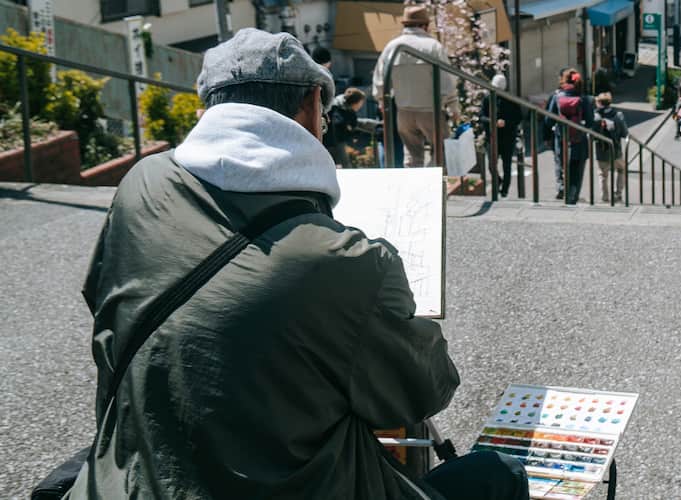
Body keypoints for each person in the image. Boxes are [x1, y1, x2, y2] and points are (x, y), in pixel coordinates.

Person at [69, 28, 528, 499]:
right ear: (312, 104)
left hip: (129, 479)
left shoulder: (141, 186)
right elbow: (425, 390)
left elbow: (108, 318)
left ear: (207, 108)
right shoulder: (351, 263)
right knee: (499, 474)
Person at [372, 6, 459, 167]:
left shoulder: (392, 47)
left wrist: (381, 101)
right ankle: (433, 185)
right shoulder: (433, 46)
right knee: (440, 152)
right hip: (430, 110)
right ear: (425, 25)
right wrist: (453, 106)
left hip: (403, 112)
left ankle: (415, 188)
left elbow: (379, 79)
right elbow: (447, 81)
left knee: (412, 156)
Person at [545, 71, 595, 204]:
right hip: (579, 141)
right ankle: (573, 196)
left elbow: (548, 120)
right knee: (577, 170)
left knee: (560, 164)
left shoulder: (556, 97)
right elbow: (590, 122)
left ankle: (562, 188)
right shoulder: (586, 99)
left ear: (564, 81)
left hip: (561, 139)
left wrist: (549, 134)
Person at [479, 74, 525, 197]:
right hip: (492, 136)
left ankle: (505, 190)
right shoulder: (488, 99)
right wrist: (493, 121)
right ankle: (498, 181)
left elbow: (518, 117)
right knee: (491, 164)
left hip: (507, 136)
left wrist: (506, 123)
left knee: (507, 164)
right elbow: (482, 116)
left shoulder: (511, 99)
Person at [593, 92, 628, 203]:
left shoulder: (595, 116)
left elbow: (592, 135)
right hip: (616, 151)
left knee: (603, 175)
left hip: (601, 152)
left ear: (599, 103)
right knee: (621, 170)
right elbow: (624, 133)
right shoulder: (618, 115)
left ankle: (605, 197)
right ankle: (618, 194)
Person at [323, 87, 366, 167]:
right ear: (355, 102)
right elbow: (339, 126)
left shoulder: (343, 107)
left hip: (334, 141)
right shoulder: (338, 110)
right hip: (333, 142)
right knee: (345, 165)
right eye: (361, 103)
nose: (361, 105)